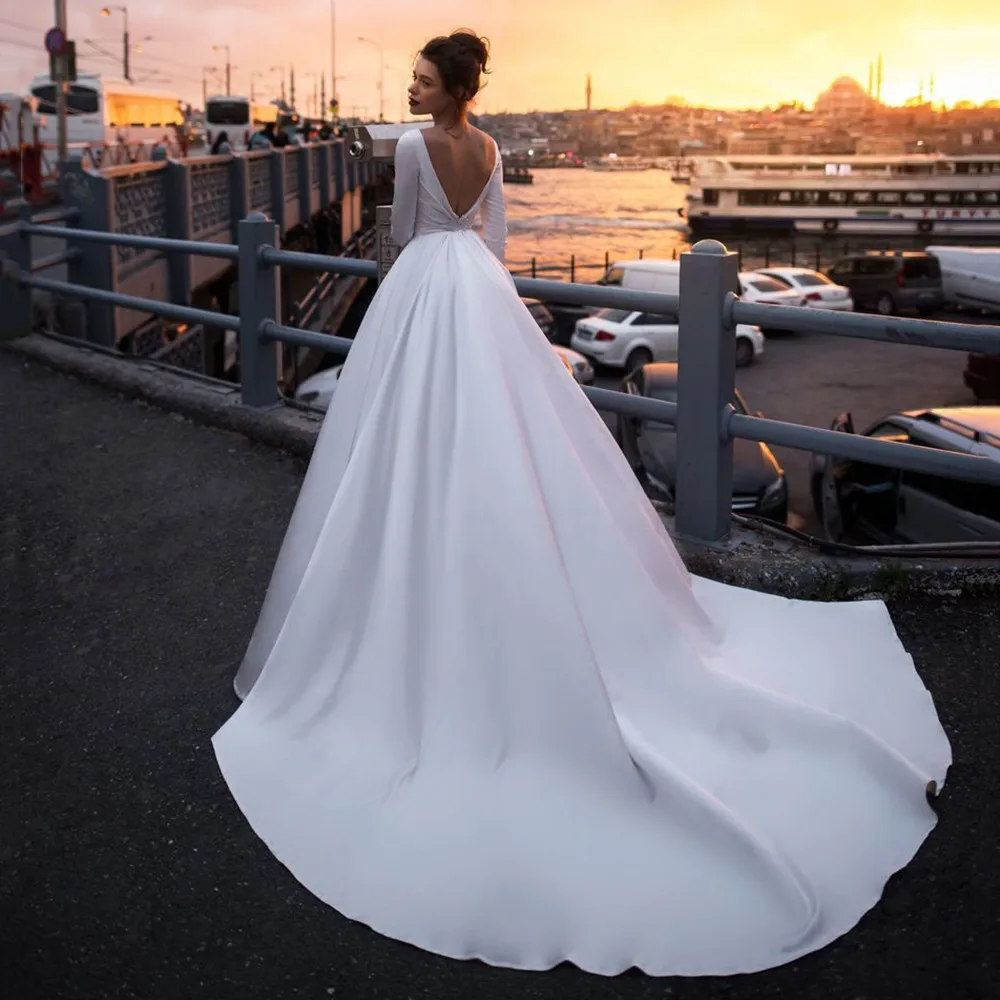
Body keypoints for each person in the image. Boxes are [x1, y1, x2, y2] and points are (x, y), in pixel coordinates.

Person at [212, 30, 950, 978]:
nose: (412, 86)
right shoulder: (487, 150)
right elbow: (497, 242)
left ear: (450, 87)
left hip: (424, 296)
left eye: (423, 78)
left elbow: (402, 239)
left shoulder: (408, 147)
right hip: (481, 294)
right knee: (511, 443)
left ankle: (414, 591)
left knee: (400, 449)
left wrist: (413, 279)